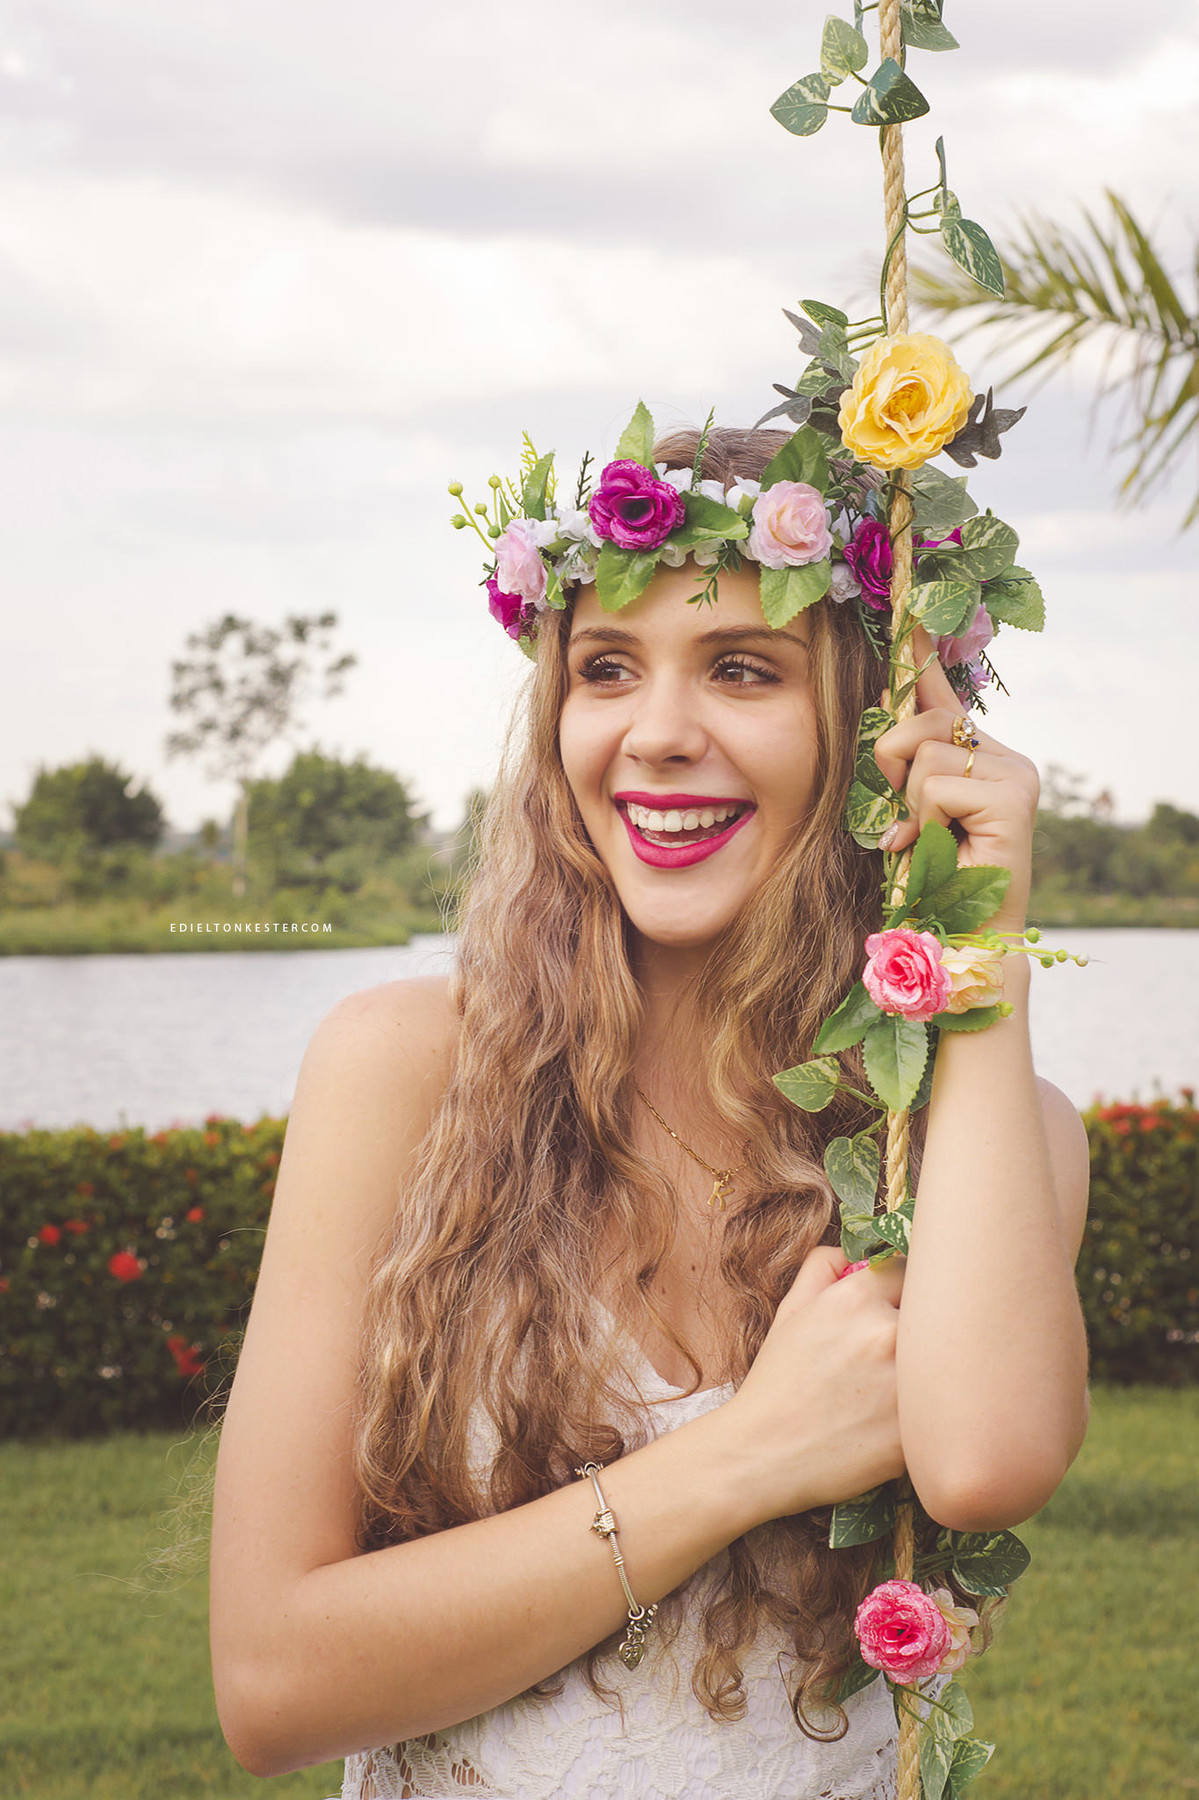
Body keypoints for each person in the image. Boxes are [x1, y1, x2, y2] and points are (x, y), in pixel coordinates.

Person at [208, 427, 1090, 1800]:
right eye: (607, 669)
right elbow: (272, 1687)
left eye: (743, 668)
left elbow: (983, 1467)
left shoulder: (978, 1132)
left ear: (889, 733)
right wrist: (750, 1456)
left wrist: (974, 939)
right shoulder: (404, 1071)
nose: (658, 732)